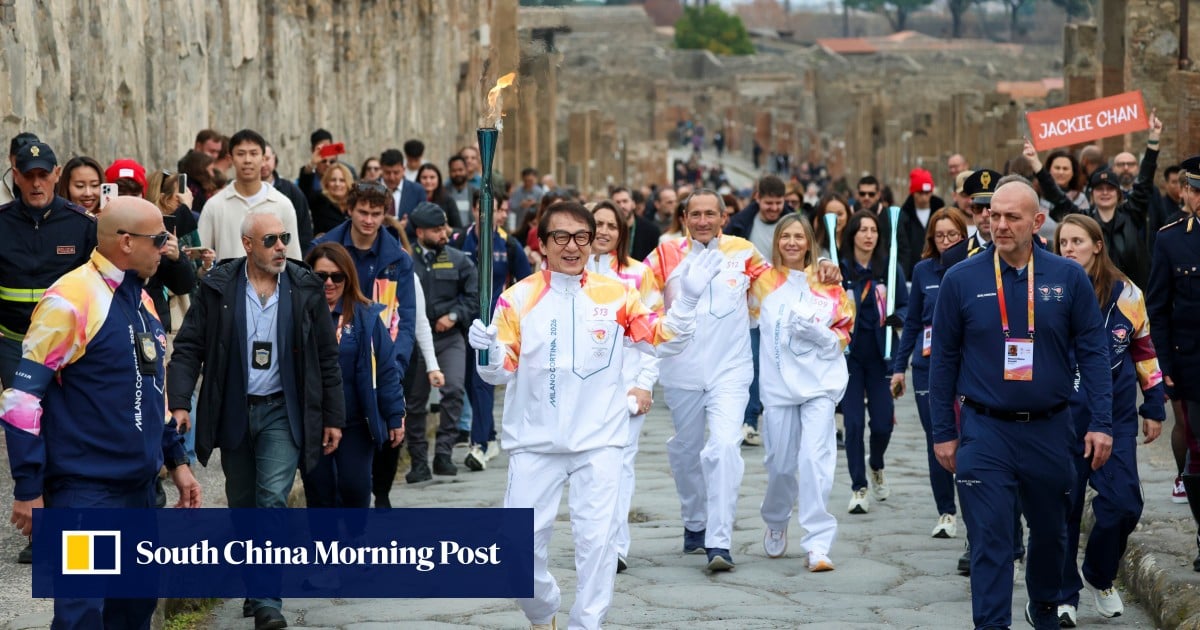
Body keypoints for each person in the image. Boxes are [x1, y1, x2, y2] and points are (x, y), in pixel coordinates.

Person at [468, 200, 722, 630]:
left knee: (598, 544)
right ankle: (543, 607)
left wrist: (688, 302)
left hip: (599, 441)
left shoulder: (616, 295)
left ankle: (586, 624)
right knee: (516, 554)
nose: (572, 246)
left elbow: (662, 339)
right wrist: (488, 351)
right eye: (560, 237)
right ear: (543, 245)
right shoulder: (517, 299)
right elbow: (500, 372)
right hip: (535, 443)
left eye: (581, 237)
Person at [0, 196, 200, 628]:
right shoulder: (71, 297)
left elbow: (154, 392)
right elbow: (21, 401)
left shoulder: (143, 302)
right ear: (126, 242)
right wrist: (28, 488)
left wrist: (177, 461)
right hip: (85, 495)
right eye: (159, 238)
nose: (165, 247)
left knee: (134, 610)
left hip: (140, 492)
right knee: (83, 614)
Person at [930, 181, 1113, 629]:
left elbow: (1093, 350)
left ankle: (1045, 607)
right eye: (995, 216)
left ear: (1036, 222)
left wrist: (1102, 422)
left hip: (1050, 430)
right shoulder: (961, 279)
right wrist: (943, 432)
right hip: (984, 430)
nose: (1001, 225)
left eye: (1012, 217)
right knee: (991, 540)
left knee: (1051, 534)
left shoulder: (1067, 277)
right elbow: (944, 362)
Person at [167, 211, 344, 630]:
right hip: (233, 410)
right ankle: (255, 584)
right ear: (248, 245)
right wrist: (179, 403)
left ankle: (267, 600)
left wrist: (333, 416)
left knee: (270, 501)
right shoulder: (217, 287)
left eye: (284, 237)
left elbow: (326, 357)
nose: (281, 246)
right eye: (271, 240)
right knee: (243, 505)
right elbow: (189, 347)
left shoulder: (304, 288)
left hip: (283, 411)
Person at [1052, 214, 1164, 625]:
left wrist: (1154, 404)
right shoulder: (1047, 290)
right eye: (1063, 242)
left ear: (1097, 245)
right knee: (1063, 509)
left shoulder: (1127, 293)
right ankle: (1064, 594)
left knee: (1124, 505)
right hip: (1061, 418)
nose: (1068, 249)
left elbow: (1145, 350)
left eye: (1077, 241)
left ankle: (1100, 575)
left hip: (1114, 417)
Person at [749, 214, 854, 571]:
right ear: (776, 241)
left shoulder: (827, 283)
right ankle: (776, 520)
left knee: (815, 461)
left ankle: (818, 543)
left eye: (799, 237)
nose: (792, 243)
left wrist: (822, 336)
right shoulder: (762, 281)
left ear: (810, 243)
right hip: (779, 389)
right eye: (785, 237)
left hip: (820, 386)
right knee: (780, 464)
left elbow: (844, 331)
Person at [583, 200, 661, 571]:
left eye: (611, 225)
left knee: (621, 464)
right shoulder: (571, 270)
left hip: (626, 386)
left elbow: (654, 334)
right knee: (587, 468)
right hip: (582, 389)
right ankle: (592, 540)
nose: (603, 231)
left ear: (622, 231)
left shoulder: (638, 274)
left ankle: (615, 547)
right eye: (596, 224)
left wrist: (645, 384)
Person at [301, 242, 406, 508]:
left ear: (348, 278)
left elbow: (386, 370)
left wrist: (395, 416)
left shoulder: (365, 316)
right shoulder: (297, 314)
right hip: (313, 421)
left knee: (356, 488)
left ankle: (353, 544)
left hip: (356, 421)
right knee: (320, 493)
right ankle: (326, 548)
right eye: (320, 276)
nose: (329, 282)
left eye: (337, 276)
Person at [891, 208, 968, 537]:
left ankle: (973, 510)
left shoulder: (972, 269)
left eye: (953, 235)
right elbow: (910, 324)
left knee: (967, 440)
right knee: (937, 438)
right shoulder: (923, 271)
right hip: (927, 367)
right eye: (940, 236)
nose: (947, 241)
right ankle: (946, 512)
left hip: (964, 367)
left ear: (964, 237)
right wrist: (899, 368)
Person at [451, 193, 531, 470]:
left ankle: (479, 446)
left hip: (495, 326)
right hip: (463, 322)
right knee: (467, 384)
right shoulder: (459, 241)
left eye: (494, 210)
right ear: (475, 210)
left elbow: (527, 283)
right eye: (482, 210)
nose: (488, 215)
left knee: (481, 383)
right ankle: (490, 436)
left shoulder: (508, 244)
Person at [1148, 154, 1200, 571]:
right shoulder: (1171, 239)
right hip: (1191, 364)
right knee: (1198, 453)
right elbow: (1158, 308)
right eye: (1196, 190)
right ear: (1186, 193)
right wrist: (1162, 364)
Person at [840, 209, 908, 514]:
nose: (869, 235)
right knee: (853, 425)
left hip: (881, 360)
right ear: (852, 234)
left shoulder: (890, 268)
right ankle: (859, 487)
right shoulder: (840, 270)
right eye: (862, 230)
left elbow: (908, 305)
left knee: (882, 424)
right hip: (849, 360)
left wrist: (899, 317)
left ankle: (876, 464)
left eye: (873, 230)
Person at [405, 202, 477, 482]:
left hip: (449, 338)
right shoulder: (404, 260)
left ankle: (444, 453)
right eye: (436, 230)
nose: (444, 233)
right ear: (420, 232)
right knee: (414, 402)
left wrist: (455, 314)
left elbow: (473, 296)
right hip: (415, 343)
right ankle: (419, 461)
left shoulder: (460, 260)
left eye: (444, 227)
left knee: (454, 390)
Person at [197, 129, 302, 261]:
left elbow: (294, 259)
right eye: (240, 154)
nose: (247, 160)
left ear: (263, 158)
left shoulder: (282, 204)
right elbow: (200, 257)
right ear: (231, 159)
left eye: (254, 153)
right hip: (228, 281)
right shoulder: (215, 205)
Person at [303, 161, 353, 236]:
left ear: (348, 183)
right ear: (326, 183)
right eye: (333, 180)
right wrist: (312, 164)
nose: (337, 184)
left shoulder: (354, 205)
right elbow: (305, 192)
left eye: (342, 180)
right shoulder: (319, 201)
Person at [416, 163, 460, 228]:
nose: (428, 181)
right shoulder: (413, 198)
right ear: (418, 180)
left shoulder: (448, 200)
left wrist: (448, 230)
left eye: (432, 177)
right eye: (424, 178)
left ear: (438, 179)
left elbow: (459, 228)